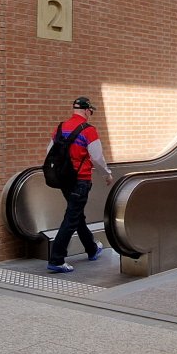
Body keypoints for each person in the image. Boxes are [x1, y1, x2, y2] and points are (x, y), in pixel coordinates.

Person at [47, 96, 113, 273]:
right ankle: (57, 258)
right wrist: (106, 175)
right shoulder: (88, 130)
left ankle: (91, 248)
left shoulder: (60, 128)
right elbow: (97, 158)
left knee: (76, 215)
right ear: (86, 110)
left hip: (64, 180)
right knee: (71, 217)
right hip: (81, 180)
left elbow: (49, 152)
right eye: (90, 111)